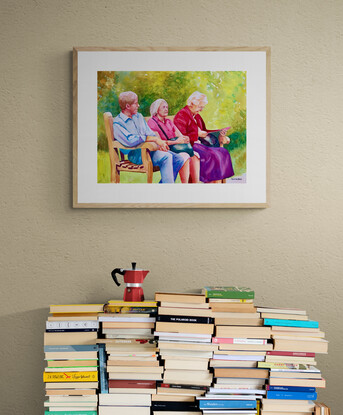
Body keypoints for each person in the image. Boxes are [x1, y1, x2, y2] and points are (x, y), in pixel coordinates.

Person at [112, 91, 185, 183]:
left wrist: (158, 144)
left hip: (150, 150)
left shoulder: (138, 116)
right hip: (136, 155)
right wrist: (154, 139)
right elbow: (130, 140)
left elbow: (150, 133)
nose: (138, 105)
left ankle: (163, 186)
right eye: (135, 103)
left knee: (179, 159)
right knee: (167, 157)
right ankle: (167, 189)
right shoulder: (118, 123)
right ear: (127, 106)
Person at [174, 91, 234, 183]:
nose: (201, 109)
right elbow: (181, 137)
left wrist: (219, 132)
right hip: (190, 146)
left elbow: (204, 131)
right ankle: (212, 182)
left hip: (201, 145)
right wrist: (196, 135)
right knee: (214, 155)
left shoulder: (196, 116)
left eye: (202, 107)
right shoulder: (181, 115)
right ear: (192, 104)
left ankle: (218, 183)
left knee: (223, 152)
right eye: (200, 107)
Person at [147, 99, 199, 183]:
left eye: (167, 107)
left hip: (175, 148)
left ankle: (194, 185)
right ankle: (184, 185)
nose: (166, 109)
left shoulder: (169, 122)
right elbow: (160, 143)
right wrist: (177, 142)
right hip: (164, 150)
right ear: (157, 109)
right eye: (163, 107)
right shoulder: (152, 122)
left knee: (195, 155)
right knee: (185, 156)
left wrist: (185, 138)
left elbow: (180, 135)